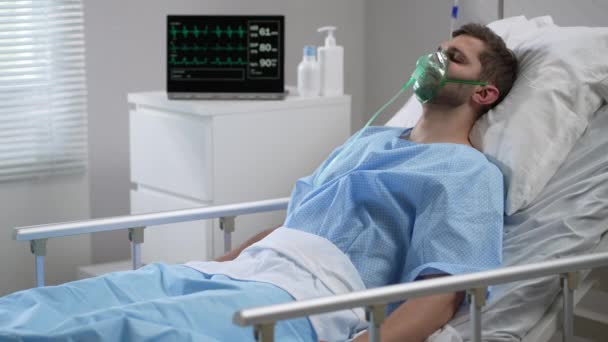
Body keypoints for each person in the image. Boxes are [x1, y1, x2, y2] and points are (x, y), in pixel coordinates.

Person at [0, 23, 517, 342]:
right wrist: (215, 265)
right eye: (437, 49)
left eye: (453, 58)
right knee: (53, 306)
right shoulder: (369, 141)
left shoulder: (467, 173)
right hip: (234, 273)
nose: (433, 60)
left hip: (301, 299)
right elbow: (295, 225)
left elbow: (443, 293)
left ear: (485, 92)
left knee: (108, 331)